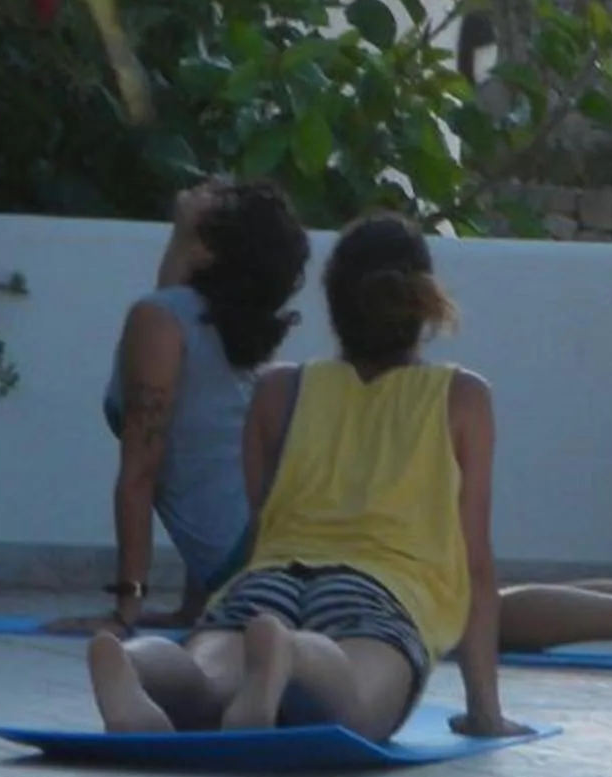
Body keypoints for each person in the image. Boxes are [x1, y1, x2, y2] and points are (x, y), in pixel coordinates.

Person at [88, 212, 522, 743]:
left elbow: (257, 523)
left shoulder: (279, 390)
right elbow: (475, 565)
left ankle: (134, 668)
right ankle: (292, 656)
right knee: (354, 704)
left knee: (204, 681)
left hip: (268, 579)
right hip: (381, 594)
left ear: (334, 302)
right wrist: (486, 712)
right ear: (420, 300)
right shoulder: (462, 398)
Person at [99, 177, 309, 628]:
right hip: (265, 550)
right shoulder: (200, 321)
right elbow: (206, 458)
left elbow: (141, 474)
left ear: (211, 248)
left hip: (254, 560)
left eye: (222, 196)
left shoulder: (163, 321)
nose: (210, 184)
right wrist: (194, 610)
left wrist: (125, 610)